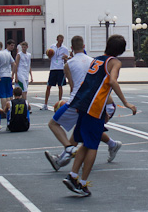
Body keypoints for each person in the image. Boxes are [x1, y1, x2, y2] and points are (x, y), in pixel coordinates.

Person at [62, 34, 136, 197]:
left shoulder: (97, 59)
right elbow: (112, 81)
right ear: (121, 50)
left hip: (83, 104)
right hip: (94, 107)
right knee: (93, 146)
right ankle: (81, 182)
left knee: (86, 144)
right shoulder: (115, 62)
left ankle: (73, 176)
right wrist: (125, 102)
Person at [45, 36, 92, 169]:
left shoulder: (68, 64)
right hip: (91, 101)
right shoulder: (93, 62)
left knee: (53, 124)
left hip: (76, 100)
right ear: (84, 46)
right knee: (80, 132)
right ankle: (61, 160)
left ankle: (69, 148)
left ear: (71, 49)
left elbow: (72, 85)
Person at [44, 34, 70, 110]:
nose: (61, 41)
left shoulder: (64, 48)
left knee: (60, 86)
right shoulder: (52, 47)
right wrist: (49, 55)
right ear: (57, 39)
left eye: (62, 40)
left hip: (60, 68)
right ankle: (45, 104)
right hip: (53, 68)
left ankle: (59, 103)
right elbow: (49, 57)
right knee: (49, 86)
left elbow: (67, 58)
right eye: (60, 40)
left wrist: (66, 57)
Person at [0, 41, 14, 114]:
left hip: (1, 75)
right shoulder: (8, 54)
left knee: (3, 94)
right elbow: (14, 63)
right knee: (9, 94)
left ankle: (4, 110)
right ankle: (10, 109)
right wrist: (12, 74)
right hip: (8, 75)